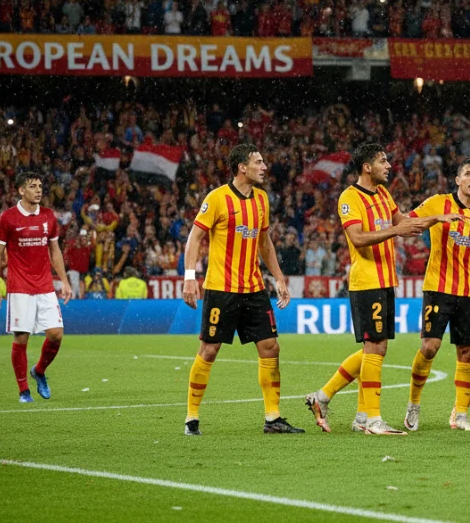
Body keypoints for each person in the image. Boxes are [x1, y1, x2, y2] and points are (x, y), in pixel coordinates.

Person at [304, 143, 430, 436]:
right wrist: (396, 230)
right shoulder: (349, 197)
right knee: (375, 347)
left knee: (374, 348)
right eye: (383, 161)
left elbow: (404, 222)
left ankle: (340, 406)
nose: (389, 166)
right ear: (367, 167)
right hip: (366, 281)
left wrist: (436, 219)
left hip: (385, 280)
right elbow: (358, 238)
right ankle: (373, 420)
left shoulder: (384, 194)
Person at [181, 143, 302, 436]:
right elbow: (195, 237)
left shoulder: (261, 199)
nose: (264, 167)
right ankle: (191, 418)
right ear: (242, 167)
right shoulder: (217, 198)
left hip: (254, 288)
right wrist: (189, 277)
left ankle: (273, 417)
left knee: (271, 346)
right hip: (221, 288)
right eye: (258, 162)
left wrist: (279, 278)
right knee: (209, 350)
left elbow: (264, 242)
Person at [403, 157, 470, 432]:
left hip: (468, 291)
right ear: (458, 180)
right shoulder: (438, 203)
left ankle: (460, 414)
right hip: (437, 288)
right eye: (468, 174)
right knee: (429, 347)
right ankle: (414, 404)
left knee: (468, 352)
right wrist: (435, 219)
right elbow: (405, 225)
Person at [0, 172, 73, 403]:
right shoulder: (7, 218)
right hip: (19, 287)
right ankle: (23, 391)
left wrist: (64, 281)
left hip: (45, 286)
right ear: (21, 190)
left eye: (40, 186)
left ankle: (39, 371)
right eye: (33, 186)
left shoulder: (48, 216)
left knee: (56, 334)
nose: (38, 190)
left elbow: (55, 251)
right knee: (21, 338)